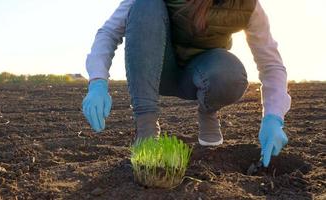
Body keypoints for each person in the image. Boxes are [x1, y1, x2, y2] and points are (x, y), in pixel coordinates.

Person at [82, 0, 291, 167]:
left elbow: (271, 64)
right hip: (158, 72)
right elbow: (109, 32)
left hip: (200, 76)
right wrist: (98, 81)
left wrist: (274, 117)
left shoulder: (248, 5)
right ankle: (146, 130)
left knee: (231, 73)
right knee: (145, 4)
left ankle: (207, 111)